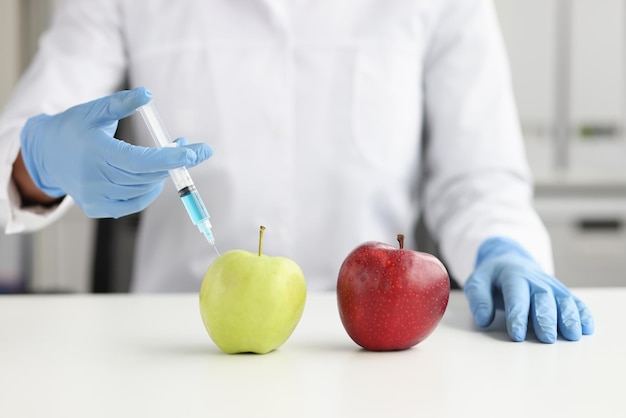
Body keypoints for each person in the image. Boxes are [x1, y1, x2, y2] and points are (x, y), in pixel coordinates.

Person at [0, 0, 593, 344]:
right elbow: (24, 139)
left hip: (370, 361)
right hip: (179, 346)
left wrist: (504, 247)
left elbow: (479, 178)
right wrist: (42, 161)